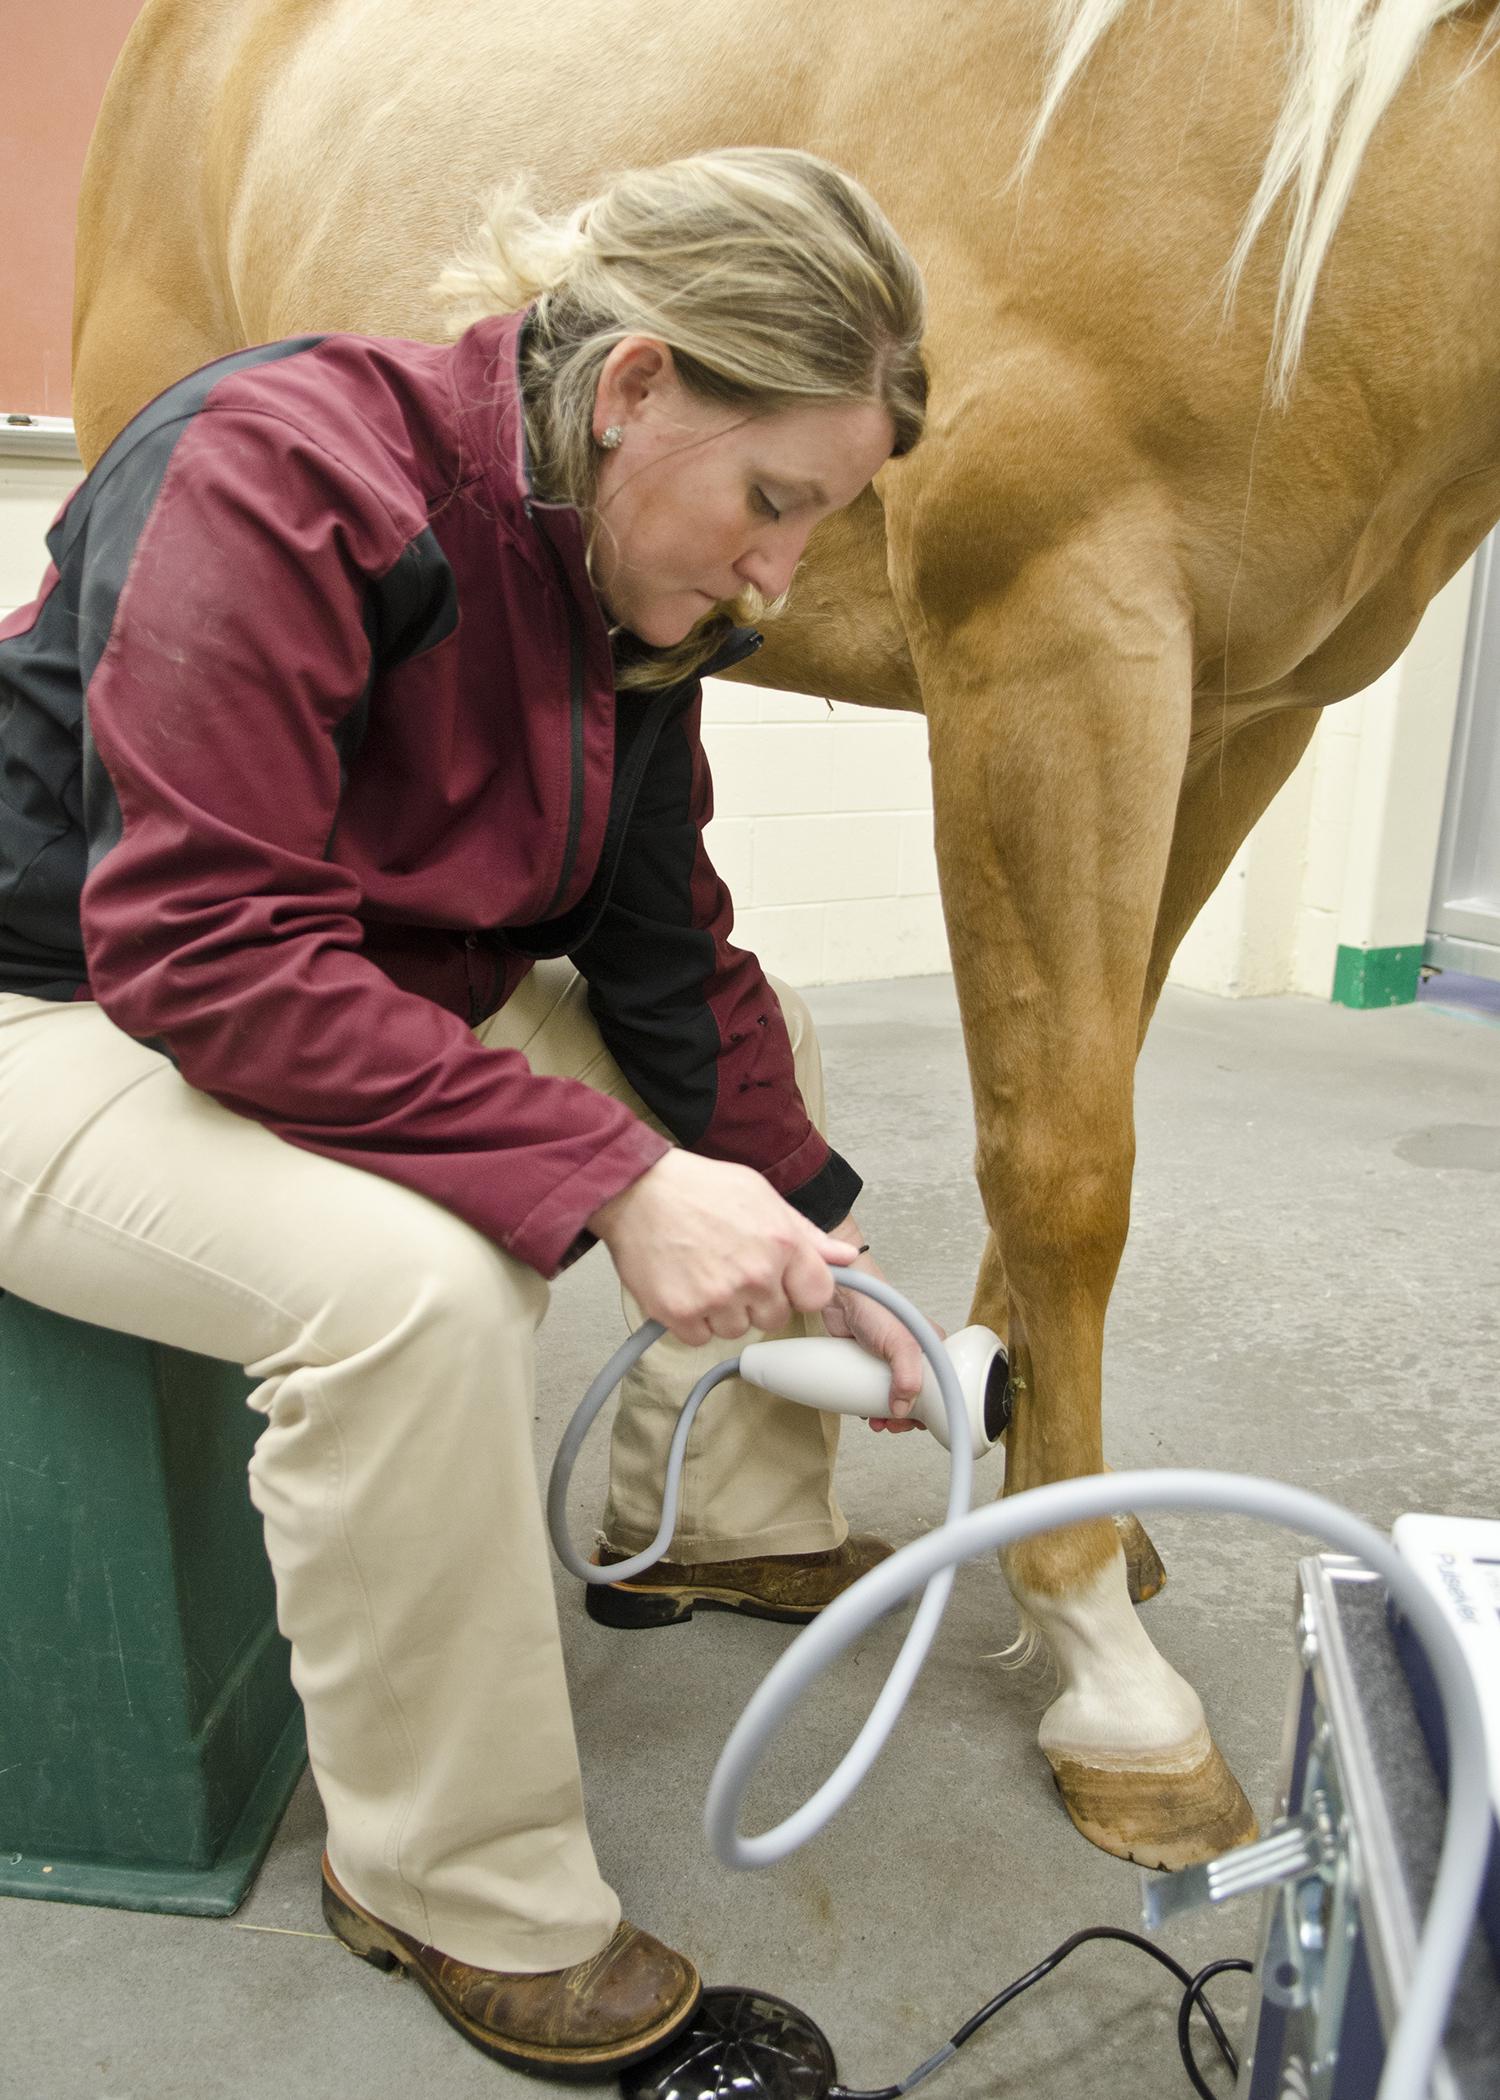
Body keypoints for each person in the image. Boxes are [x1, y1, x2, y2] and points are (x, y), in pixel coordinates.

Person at [0, 148, 928, 2078]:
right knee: (412, 1295)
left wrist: (817, 1249)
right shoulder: (289, 473)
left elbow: (661, 951)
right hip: (65, 1002)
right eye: (776, 501)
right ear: (637, 385)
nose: (783, 573)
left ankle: (716, 1524)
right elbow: (202, 951)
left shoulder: (618, 569)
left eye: (819, 523)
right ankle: (446, 1881)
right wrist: (606, 1182)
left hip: (322, 986)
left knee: (767, 1077)